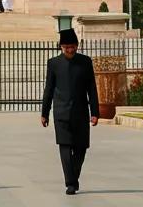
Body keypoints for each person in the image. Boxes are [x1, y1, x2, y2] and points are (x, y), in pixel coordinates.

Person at [41, 27, 99, 196]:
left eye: (73, 46)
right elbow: (49, 89)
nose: (70, 50)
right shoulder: (53, 64)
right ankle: (71, 183)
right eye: (67, 47)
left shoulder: (85, 62)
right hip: (61, 113)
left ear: (77, 45)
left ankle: (73, 176)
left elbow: (92, 89)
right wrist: (45, 113)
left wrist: (94, 112)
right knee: (65, 147)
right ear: (61, 47)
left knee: (81, 147)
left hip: (81, 112)